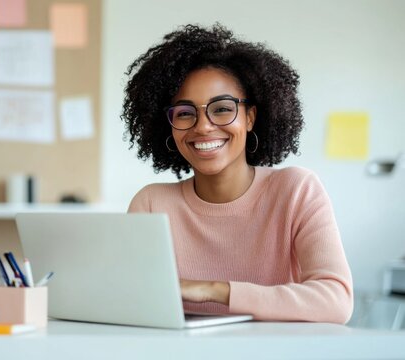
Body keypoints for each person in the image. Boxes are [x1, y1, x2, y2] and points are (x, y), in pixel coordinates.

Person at [122, 24, 353, 323]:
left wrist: (215, 290)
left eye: (221, 109)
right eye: (185, 112)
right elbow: (130, 301)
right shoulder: (151, 204)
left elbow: (336, 301)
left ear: (250, 117)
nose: (203, 126)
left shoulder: (296, 190)